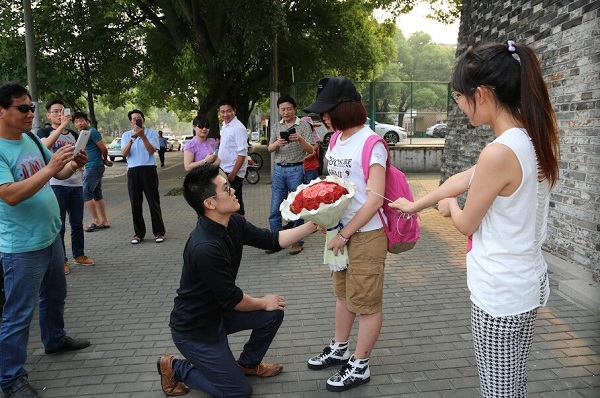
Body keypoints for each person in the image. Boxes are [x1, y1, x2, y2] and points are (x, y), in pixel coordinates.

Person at [390, 40, 560, 397]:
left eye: (458, 97)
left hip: (498, 295)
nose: (459, 106)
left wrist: (450, 207)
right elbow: (463, 179)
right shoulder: (528, 140)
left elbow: (467, 223)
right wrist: (416, 204)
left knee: (498, 391)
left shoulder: (499, 152)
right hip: (525, 288)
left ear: (481, 94)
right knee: (514, 384)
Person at [157, 164, 321, 397]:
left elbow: (271, 239)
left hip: (219, 313)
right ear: (210, 203)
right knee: (238, 392)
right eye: (226, 188)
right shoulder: (205, 247)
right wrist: (263, 301)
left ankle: (247, 363)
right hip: (196, 329)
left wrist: (312, 226)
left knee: (273, 312)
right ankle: (175, 366)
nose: (233, 190)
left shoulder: (233, 222)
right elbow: (233, 298)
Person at [0, 82, 91, 398]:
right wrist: (53, 166)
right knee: (18, 314)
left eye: (31, 107)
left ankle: (54, 339)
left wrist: (70, 165)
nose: (30, 113)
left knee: (55, 294)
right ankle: (10, 379)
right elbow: (9, 195)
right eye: (22, 108)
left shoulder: (29, 140)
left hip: (50, 236)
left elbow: (57, 175)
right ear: (2, 111)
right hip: (22, 247)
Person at [303, 77, 388, 392]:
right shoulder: (335, 139)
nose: (323, 117)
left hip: (366, 234)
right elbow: (335, 184)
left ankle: (360, 363)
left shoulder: (371, 144)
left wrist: (345, 232)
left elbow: (375, 199)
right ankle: (339, 347)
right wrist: (324, 214)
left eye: (327, 110)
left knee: (366, 301)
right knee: (343, 295)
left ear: (345, 107)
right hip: (339, 231)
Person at [37, 100, 95, 275]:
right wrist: (61, 126)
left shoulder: (73, 134)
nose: (59, 114)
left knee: (77, 223)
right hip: (56, 185)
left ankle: (79, 254)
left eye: (62, 111)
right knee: (59, 225)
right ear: (48, 115)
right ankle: (61, 260)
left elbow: (79, 153)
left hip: (75, 183)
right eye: (55, 111)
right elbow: (44, 146)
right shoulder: (45, 131)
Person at [266, 95, 314, 255]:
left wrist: (300, 139)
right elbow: (269, 149)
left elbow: (311, 150)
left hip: (296, 169)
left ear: (294, 109)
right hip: (279, 169)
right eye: (282, 109)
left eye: (288, 109)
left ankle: (296, 241)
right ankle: (275, 241)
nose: (285, 112)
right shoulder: (275, 127)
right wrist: (277, 144)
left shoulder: (304, 125)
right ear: (279, 110)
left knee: (296, 206)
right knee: (275, 207)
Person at [120, 109, 166, 244]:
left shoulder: (151, 133)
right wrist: (132, 138)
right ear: (130, 122)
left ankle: (159, 232)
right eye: (134, 119)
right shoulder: (126, 135)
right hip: (133, 171)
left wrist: (143, 136)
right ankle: (139, 233)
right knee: (135, 203)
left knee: (153, 201)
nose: (136, 121)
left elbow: (152, 150)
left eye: (139, 118)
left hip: (149, 169)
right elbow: (123, 154)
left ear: (143, 120)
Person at [72, 111, 113, 233]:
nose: (79, 123)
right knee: (97, 194)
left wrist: (104, 159)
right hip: (90, 166)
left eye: (81, 120)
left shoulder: (92, 132)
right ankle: (104, 221)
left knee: (85, 194)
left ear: (87, 121)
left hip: (94, 166)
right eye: (76, 121)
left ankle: (96, 221)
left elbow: (103, 148)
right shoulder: (80, 134)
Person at [216, 99, 247, 216]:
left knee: (236, 203)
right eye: (222, 112)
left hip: (233, 173)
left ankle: (241, 230)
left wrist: (234, 173)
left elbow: (242, 153)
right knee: (227, 203)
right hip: (224, 170)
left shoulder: (238, 128)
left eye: (228, 111)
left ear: (234, 110)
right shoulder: (225, 126)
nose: (225, 115)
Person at [301, 116, 322, 184]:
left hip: (311, 169)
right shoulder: (297, 137)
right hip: (298, 170)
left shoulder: (315, 138)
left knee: (310, 190)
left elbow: (311, 152)